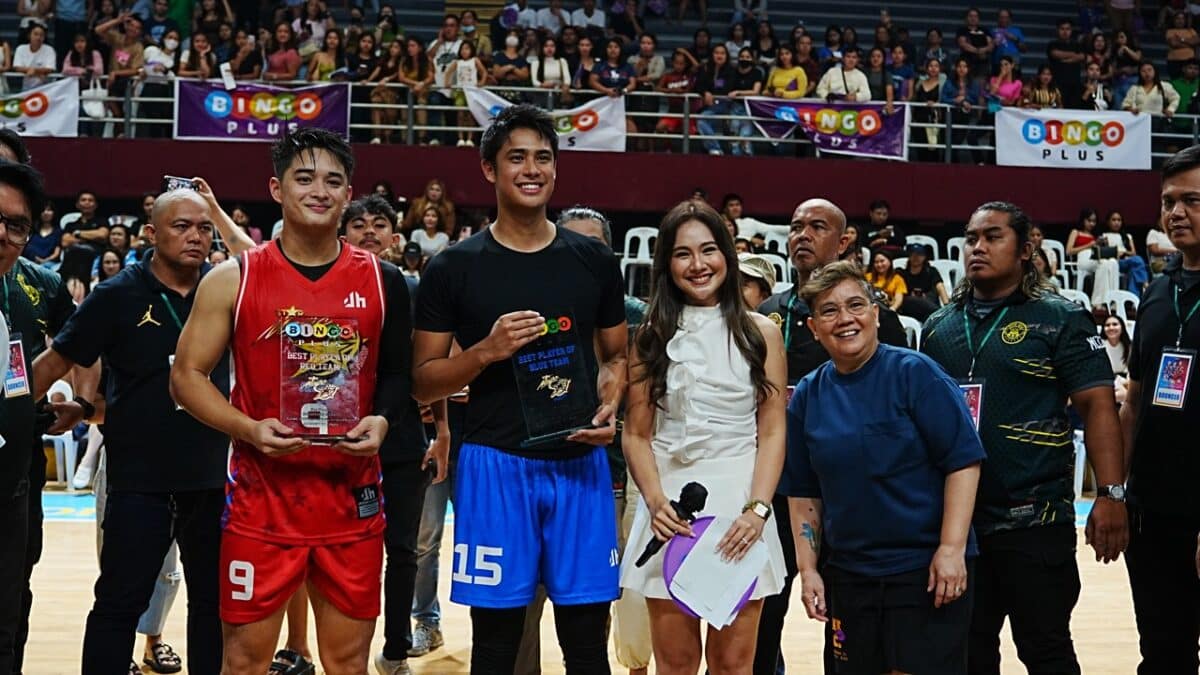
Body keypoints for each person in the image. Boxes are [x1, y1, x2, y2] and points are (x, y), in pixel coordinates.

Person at [169, 128, 411, 674]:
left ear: (349, 194)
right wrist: (248, 429)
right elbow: (186, 378)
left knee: (347, 661)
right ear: (276, 189)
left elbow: (398, 374)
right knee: (245, 660)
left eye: (333, 180)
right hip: (262, 502)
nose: (319, 191)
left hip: (351, 500)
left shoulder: (383, 280)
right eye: (304, 178)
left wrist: (383, 419)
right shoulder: (234, 278)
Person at [411, 104, 627, 672]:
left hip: (579, 465)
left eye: (544, 158)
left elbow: (616, 356)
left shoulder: (594, 260)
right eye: (517, 158)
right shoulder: (453, 267)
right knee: (497, 645)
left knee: (586, 641)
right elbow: (422, 381)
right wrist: (485, 351)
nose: (532, 169)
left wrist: (610, 403)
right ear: (489, 169)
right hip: (493, 466)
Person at [921, 201, 1128, 675]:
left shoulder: (1061, 318)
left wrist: (1111, 494)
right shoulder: (938, 326)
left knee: (1046, 649)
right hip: (958, 526)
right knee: (967, 654)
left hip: (1036, 518)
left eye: (993, 237)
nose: (977, 247)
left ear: (1026, 249)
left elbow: (1098, 406)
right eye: (971, 238)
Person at [31, 188, 227, 675]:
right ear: (151, 233)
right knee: (119, 604)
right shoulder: (117, 294)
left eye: (204, 228)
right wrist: (14, 409)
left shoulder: (225, 290)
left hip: (212, 477)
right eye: (181, 226)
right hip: (140, 478)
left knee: (213, 606)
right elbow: (59, 359)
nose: (195, 237)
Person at [781, 260, 984, 675]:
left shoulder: (916, 374)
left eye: (855, 305)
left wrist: (951, 549)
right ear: (814, 328)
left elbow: (963, 462)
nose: (845, 319)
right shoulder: (807, 395)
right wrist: (808, 570)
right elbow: (803, 491)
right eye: (829, 311)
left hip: (923, 570)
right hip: (850, 575)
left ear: (876, 313)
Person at [619, 199, 787, 673]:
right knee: (676, 665)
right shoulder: (650, 335)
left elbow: (772, 429)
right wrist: (654, 502)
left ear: (728, 257)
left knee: (733, 666)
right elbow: (635, 433)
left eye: (709, 250)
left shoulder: (762, 334)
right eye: (682, 254)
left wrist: (758, 509)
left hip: (742, 508)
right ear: (666, 265)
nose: (698, 265)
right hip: (670, 510)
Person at [754, 198, 909, 675]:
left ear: (844, 242)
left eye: (816, 226)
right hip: (776, 488)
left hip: (850, 494)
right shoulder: (766, 313)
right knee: (762, 616)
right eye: (795, 225)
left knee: (846, 628)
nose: (802, 234)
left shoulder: (873, 315)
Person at [1121, 144, 1200, 673]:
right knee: (1162, 652)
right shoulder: (1156, 290)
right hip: (1153, 511)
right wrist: (1113, 493)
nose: (1176, 213)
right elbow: (1135, 397)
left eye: (1192, 200)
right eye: (1169, 201)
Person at [0, 160, 80, 675]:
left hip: (13, 477)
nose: (3, 236)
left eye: (16, 225)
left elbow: (75, 350)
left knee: (7, 612)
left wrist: (65, 394)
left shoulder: (40, 285)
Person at [1067, 207, 1122, 306]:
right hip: (1082, 260)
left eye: (1094, 221)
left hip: (1095, 258)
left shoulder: (1095, 236)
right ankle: (1098, 302)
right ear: (1083, 220)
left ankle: (1112, 300)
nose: (1092, 224)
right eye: (1089, 221)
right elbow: (1069, 251)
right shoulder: (1076, 232)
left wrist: (1103, 245)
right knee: (1103, 264)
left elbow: (1098, 252)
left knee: (1112, 262)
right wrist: (1090, 245)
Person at [1103, 210, 1150, 297]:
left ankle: (1133, 298)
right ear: (1108, 222)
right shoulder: (1105, 235)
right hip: (1115, 262)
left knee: (1134, 269)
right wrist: (1116, 253)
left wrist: (1124, 252)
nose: (1117, 222)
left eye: (1119, 220)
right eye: (1114, 220)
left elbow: (1133, 252)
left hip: (1128, 261)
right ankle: (1146, 284)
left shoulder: (1127, 236)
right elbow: (1106, 252)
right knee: (1138, 260)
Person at [899, 242, 949, 320]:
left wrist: (947, 305)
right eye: (912, 254)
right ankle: (939, 314)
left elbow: (940, 286)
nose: (915, 257)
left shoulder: (931, 271)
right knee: (910, 300)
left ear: (925, 257)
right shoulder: (902, 273)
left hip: (928, 307)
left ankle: (941, 315)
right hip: (909, 309)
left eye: (919, 254)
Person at [1047, 18, 1084, 108]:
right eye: (1062, 29)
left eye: (1067, 29)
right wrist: (1073, 55)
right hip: (1057, 83)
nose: (1065, 31)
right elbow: (1055, 54)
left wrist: (1065, 59)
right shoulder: (1052, 44)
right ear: (1058, 30)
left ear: (1071, 31)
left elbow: (1082, 57)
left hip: (1075, 84)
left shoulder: (1077, 45)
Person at [12, 24, 56, 90]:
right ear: (29, 35)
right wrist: (37, 72)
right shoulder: (21, 48)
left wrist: (34, 71)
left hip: (46, 88)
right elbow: (17, 67)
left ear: (44, 37)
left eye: (41, 35)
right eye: (35, 34)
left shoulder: (49, 49)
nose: (38, 37)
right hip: (26, 88)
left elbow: (50, 69)